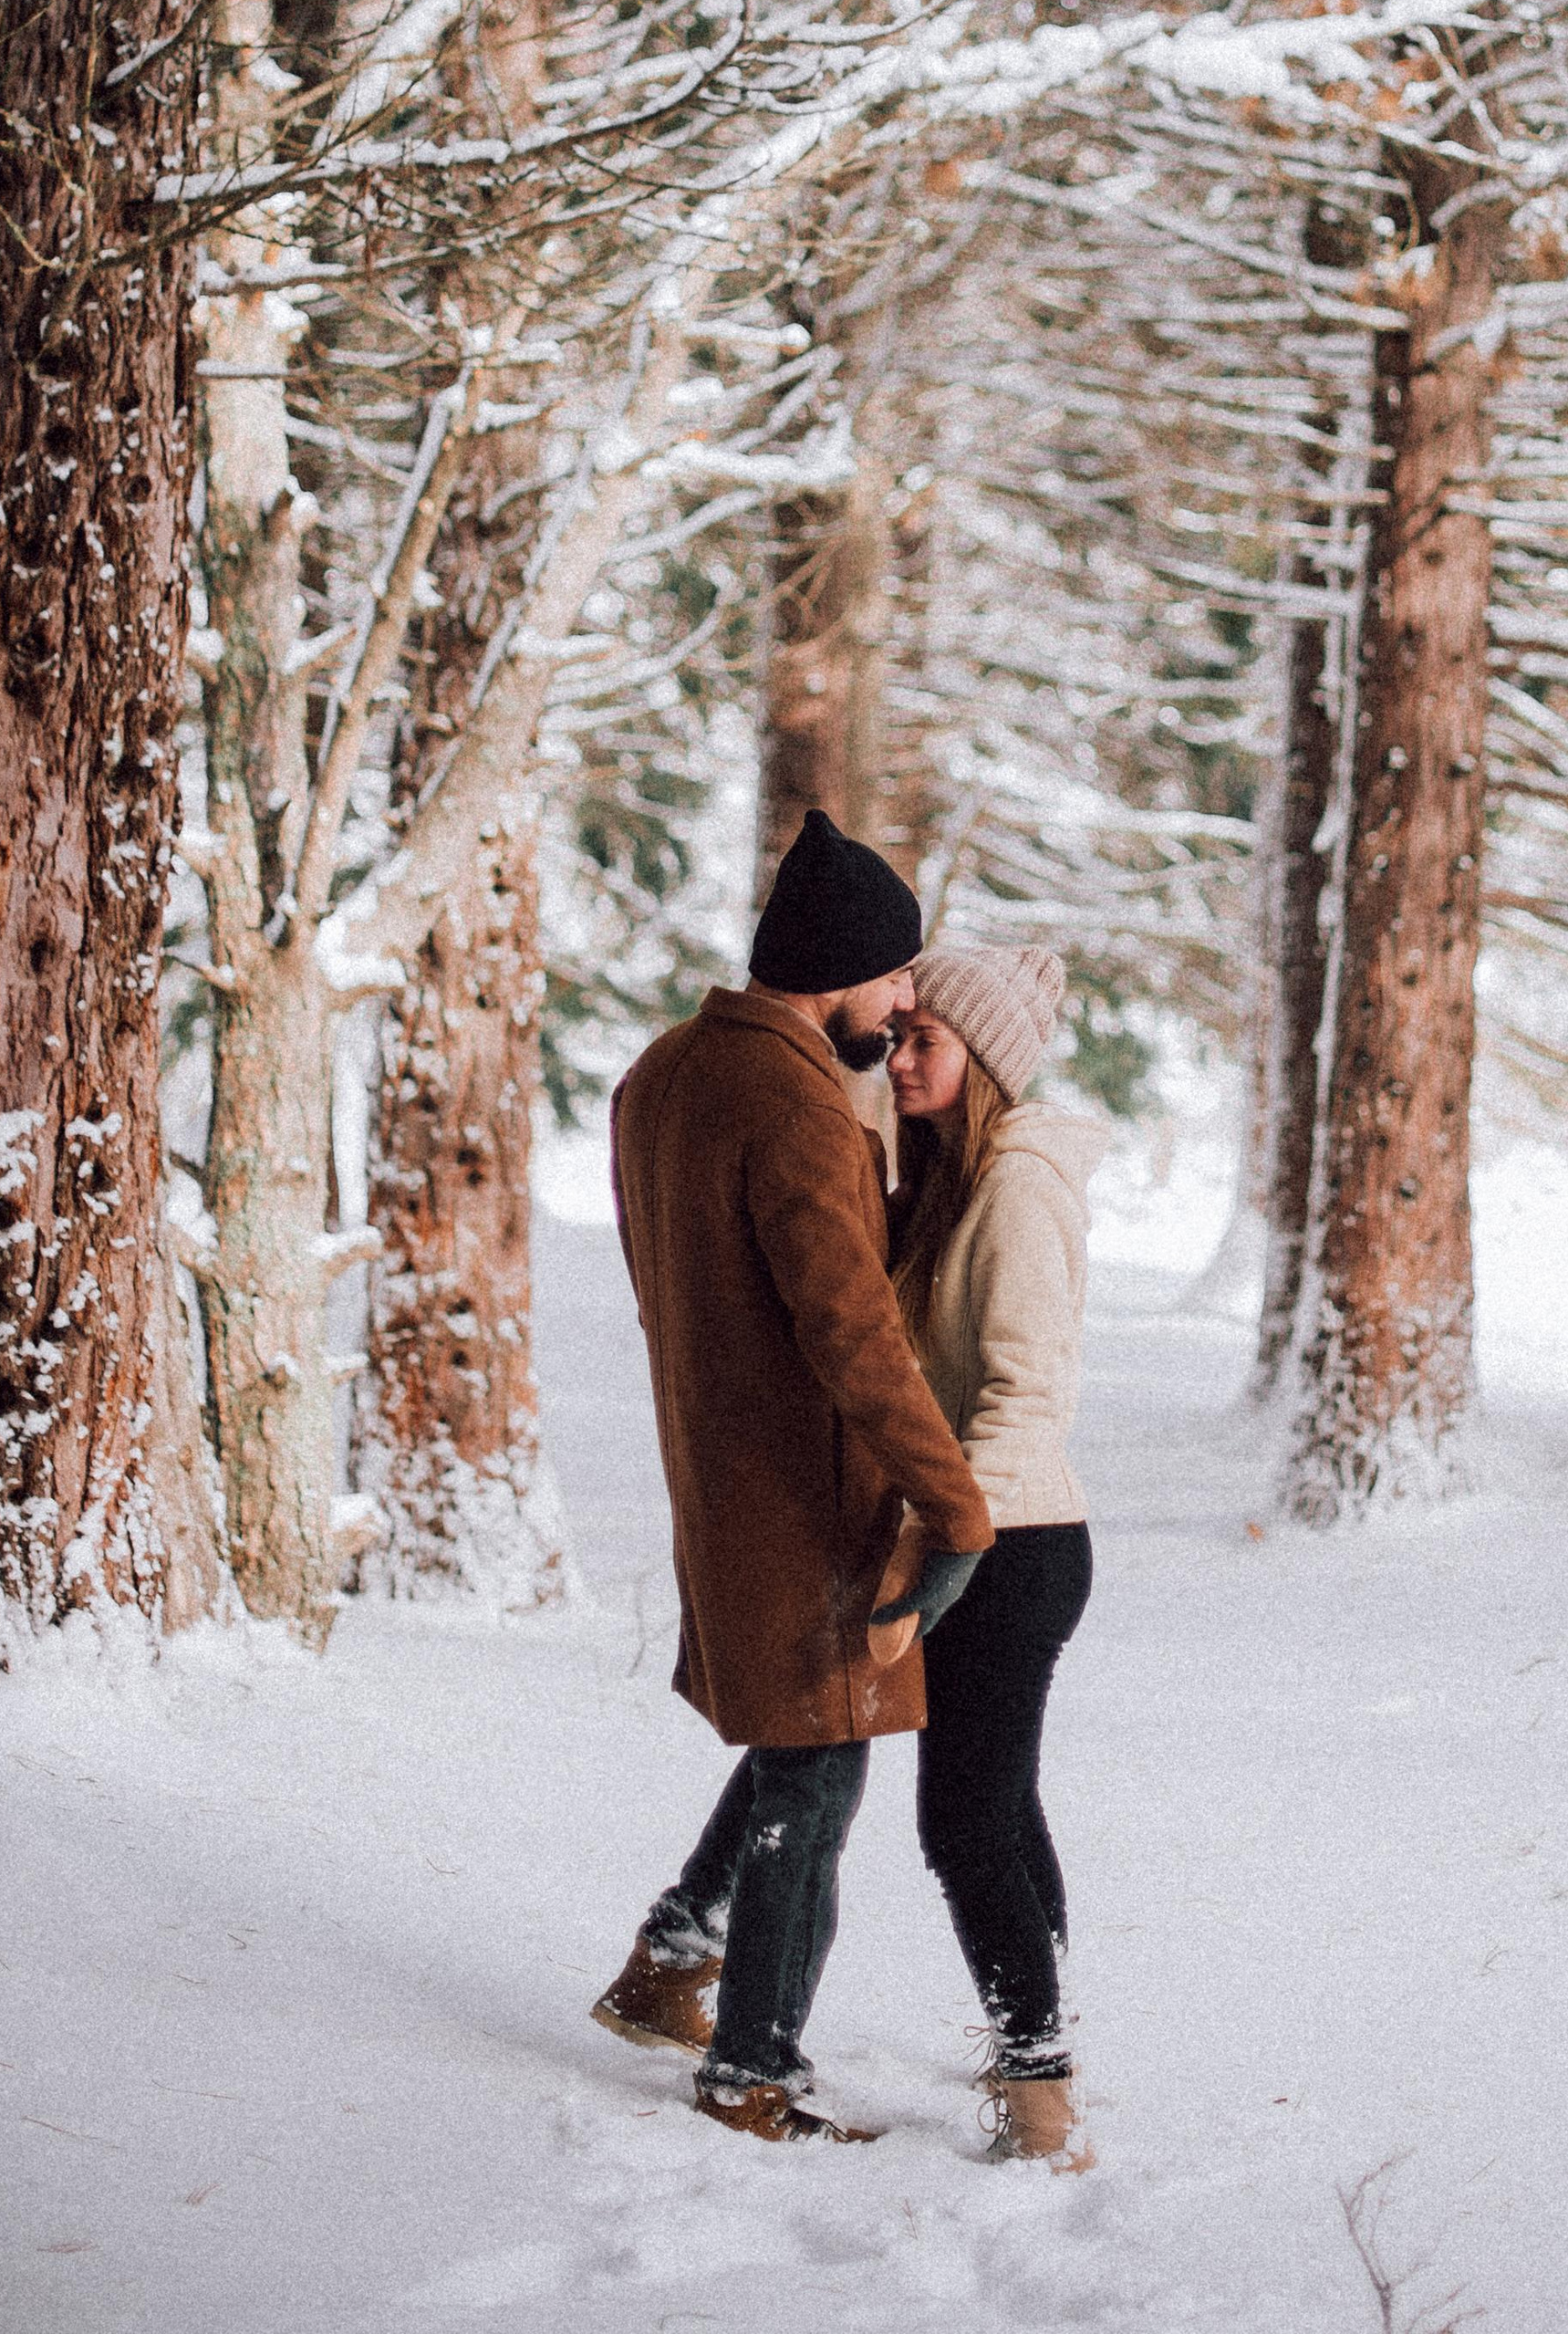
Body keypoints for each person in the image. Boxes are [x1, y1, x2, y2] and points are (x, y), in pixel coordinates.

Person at [595, 809, 995, 2145]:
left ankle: (672, 1961)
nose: (904, 1005)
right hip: (807, 1499)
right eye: (895, 980)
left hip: (713, 1480)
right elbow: (853, 1333)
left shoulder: (658, 1075)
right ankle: (752, 2072)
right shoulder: (800, 1109)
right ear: (837, 972)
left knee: (792, 1739)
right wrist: (954, 1500)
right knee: (818, 1781)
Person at [880, 943, 1103, 2171]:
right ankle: (1046, 2033)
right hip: (995, 1532)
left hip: (1012, 1544)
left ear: (986, 1063)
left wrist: (956, 1547)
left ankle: (1040, 2091)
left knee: (960, 1822)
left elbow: (1030, 1394)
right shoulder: (954, 1177)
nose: (901, 1057)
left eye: (926, 1040)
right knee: (1000, 1807)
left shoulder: (1018, 1188)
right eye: (898, 1034)